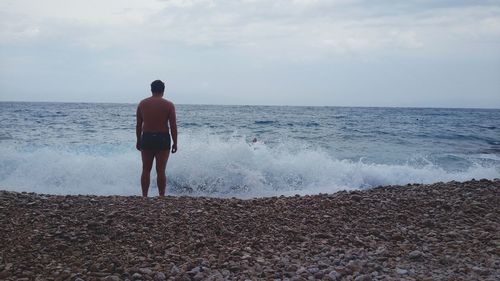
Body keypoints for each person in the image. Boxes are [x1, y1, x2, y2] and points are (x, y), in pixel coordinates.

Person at [136, 80, 177, 197]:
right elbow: (173, 125)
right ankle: (161, 196)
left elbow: (138, 125)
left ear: (151, 89)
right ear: (163, 90)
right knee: (161, 170)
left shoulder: (142, 104)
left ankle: (144, 196)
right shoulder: (169, 105)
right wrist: (175, 142)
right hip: (162, 138)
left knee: (146, 169)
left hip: (147, 138)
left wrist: (138, 140)